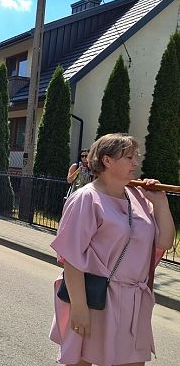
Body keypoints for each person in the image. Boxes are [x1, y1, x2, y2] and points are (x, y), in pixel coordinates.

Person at [49, 133, 174, 366]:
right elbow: (72, 258)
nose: (135, 163)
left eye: (136, 157)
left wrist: (160, 203)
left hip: (132, 303)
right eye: (129, 157)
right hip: (95, 299)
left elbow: (164, 242)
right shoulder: (86, 198)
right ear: (107, 161)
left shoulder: (137, 197)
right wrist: (79, 307)